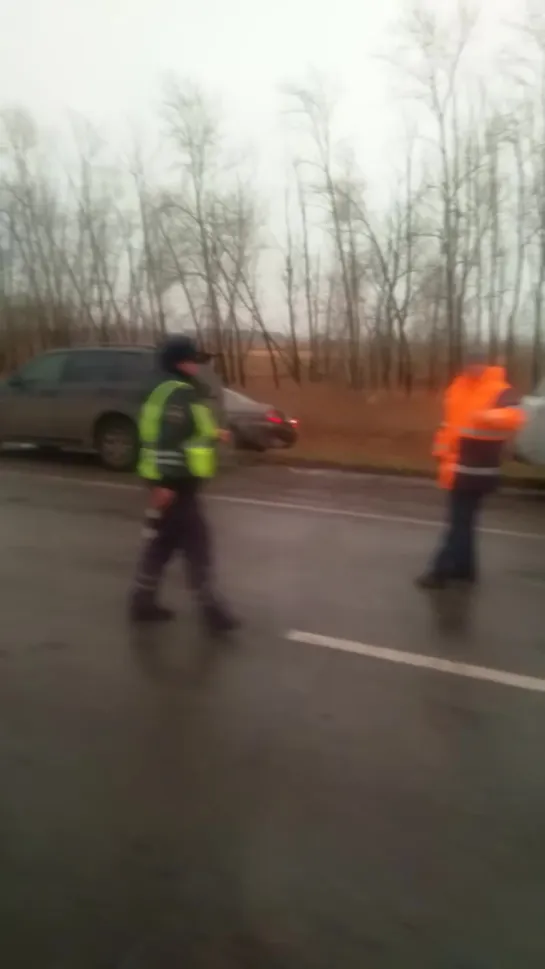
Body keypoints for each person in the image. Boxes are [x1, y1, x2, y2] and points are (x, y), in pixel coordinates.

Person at [129, 335, 239, 634]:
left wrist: (214, 433)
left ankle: (142, 600)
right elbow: (166, 440)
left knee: (162, 544)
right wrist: (162, 484)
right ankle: (211, 609)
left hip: (172, 481)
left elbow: (180, 432)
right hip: (176, 482)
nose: (197, 365)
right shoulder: (177, 393)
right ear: (179, 363)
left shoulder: (168, 389)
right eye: (193, 360)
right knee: (197, 544)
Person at [416, 352, 526, 590]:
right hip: (456, 465)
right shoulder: (457, 389)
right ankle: (465, 570)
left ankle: (439, 572)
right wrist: (440, 451)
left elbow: (515, 416)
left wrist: (486, 416)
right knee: (465, 520)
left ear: (484, 366)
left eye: (476, 365)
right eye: (468, 365)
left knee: (458, 521)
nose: (471, 369)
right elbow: (449, 425)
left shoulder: (499, 389)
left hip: (479, 466)